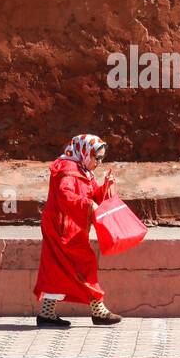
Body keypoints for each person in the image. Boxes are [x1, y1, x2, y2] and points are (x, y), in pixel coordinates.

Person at [33, 133, 123, 327]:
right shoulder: (67, 169)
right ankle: (98, 310)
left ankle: (46, 314)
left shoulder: (82, 169)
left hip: (69, 227)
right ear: (84, 152)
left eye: (101, 158)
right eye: (96, 157)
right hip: (61, 228)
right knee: (85, 264)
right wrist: (88, 204)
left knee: (56, 269)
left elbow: (94, 195)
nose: (99, 162)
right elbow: (65, 196)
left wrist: (106, 186)